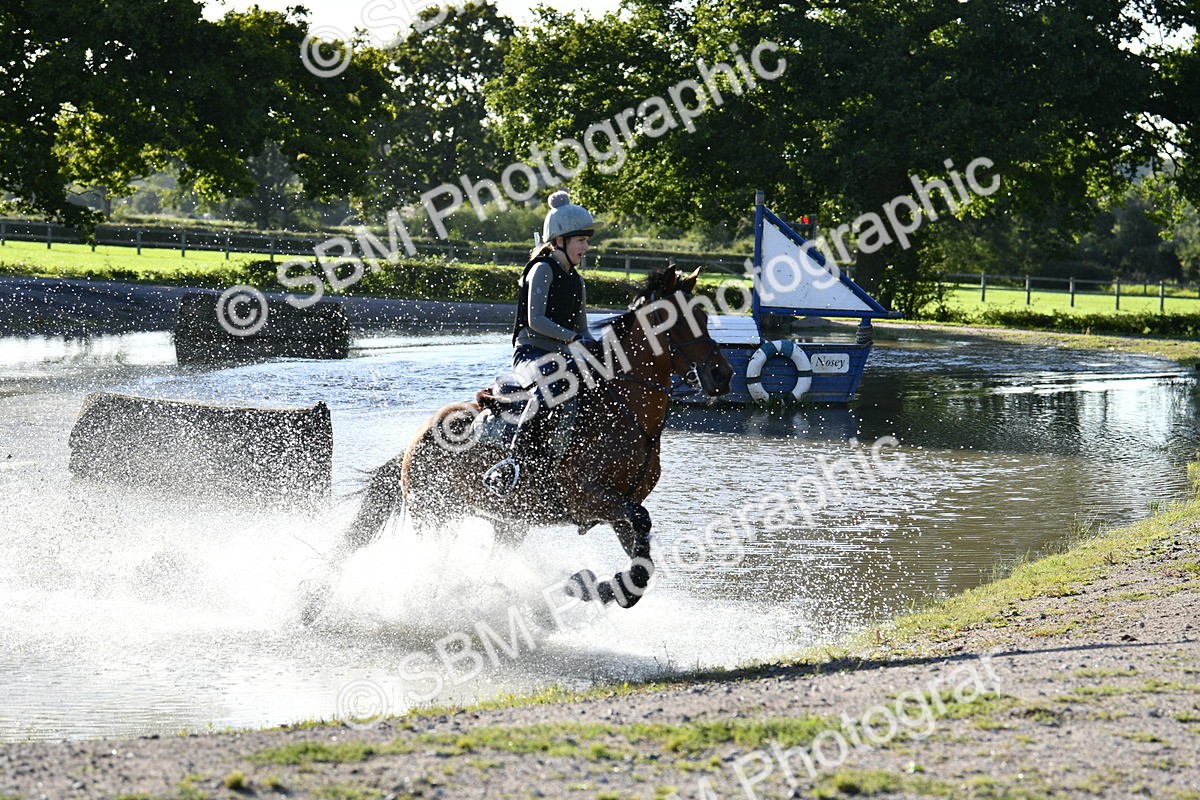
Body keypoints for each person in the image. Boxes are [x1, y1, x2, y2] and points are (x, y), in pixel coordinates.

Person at [482, 190, 598, 497]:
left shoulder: (577, 280)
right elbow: (536, 321)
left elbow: (582, 329)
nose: (586, 247)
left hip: (564, 355)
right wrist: (573, 339)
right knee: (556, 380)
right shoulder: (541, 269)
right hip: (530, 354)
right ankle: (514, 459)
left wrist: (596, 348)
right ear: (560, 240)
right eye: (581, 241)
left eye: (586, 241)